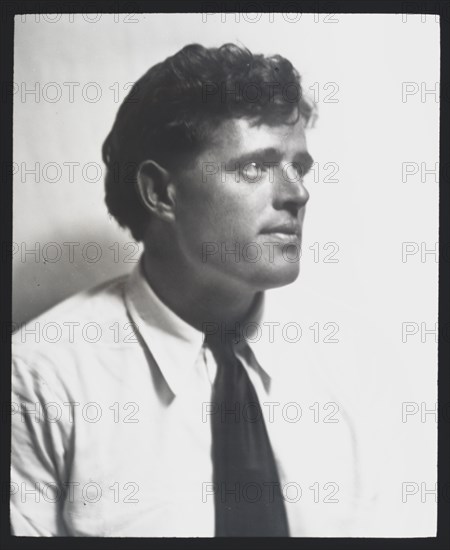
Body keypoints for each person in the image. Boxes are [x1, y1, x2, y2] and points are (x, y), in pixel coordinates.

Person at [11, 43, 372, 537]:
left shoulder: (344, 358)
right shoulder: (42, 379)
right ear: (161, 193)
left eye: (300, 167)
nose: (297, 193)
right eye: (255, 167)